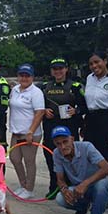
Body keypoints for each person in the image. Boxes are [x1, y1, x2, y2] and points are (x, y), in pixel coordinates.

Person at [52, 126, 108, 214]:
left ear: (72, 139)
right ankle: (82, 210)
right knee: (60, 198)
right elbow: (60, 179)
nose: (62, 147)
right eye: (58, 144)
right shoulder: (56, 153)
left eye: (65, 141)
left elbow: (107, 168)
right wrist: (64, 190)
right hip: (79, 190)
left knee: (101, 187)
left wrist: (85, 183)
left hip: (97, 185)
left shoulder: (86, 147)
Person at [41, 57, 87, 199]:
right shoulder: (44, 87)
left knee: (71, 157)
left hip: (69, 128)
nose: (58, 71)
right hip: (50, 128)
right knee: (51, 157)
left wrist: (76, 111)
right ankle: (54, 187)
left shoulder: (75, 86)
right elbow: (36, 106)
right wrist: (44, 111)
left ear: (66, 69)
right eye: (55, 69)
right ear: (51, 71)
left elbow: (86, 106)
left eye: (61, 68)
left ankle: (74, 187)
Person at [8, 64, 45, 199]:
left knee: (29, 161)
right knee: (14, 158)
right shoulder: (15, 90)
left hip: (30, 133)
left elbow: (40, 113)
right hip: (16, 132)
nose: (24, 78)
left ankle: (29, 189)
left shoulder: (36, 92)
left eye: (27, 76)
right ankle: (23, 184)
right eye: (21, 75)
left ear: (32, 77)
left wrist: (31, 131)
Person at [83, 51, 108, 170]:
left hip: (106, 119)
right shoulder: (89, 78)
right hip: (90, 119)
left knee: (104, 156)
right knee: (88, 155)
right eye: (91, 64)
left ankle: (106, 181)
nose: (94, 66)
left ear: (105, 61)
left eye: (97, 62)